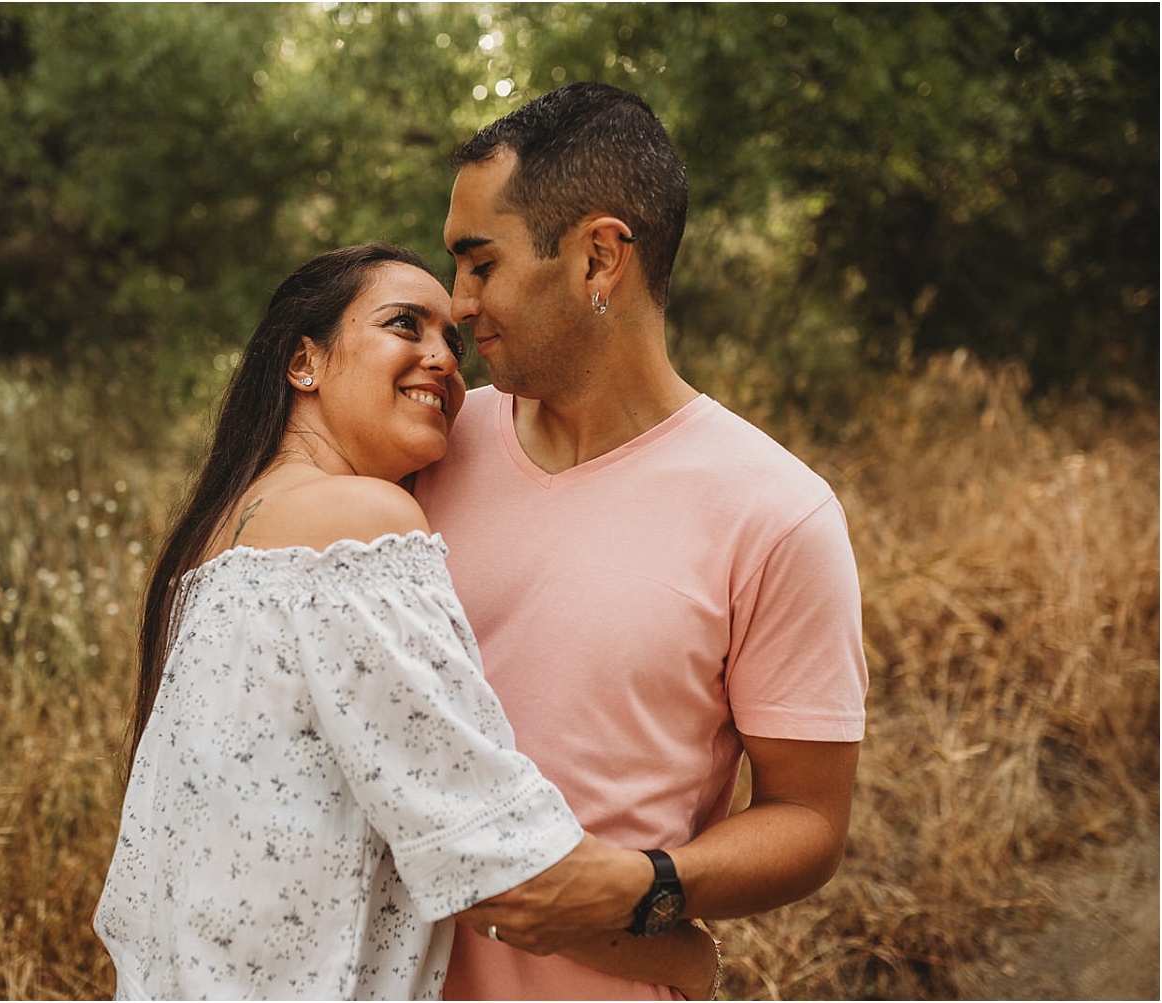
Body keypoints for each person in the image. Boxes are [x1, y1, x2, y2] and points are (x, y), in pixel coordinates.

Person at [92, 243, 721, 1000]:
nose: (443, 361)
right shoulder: (360, 524)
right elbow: (483, 848)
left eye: (452, 344)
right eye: (405, 326)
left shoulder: (214, 540)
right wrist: (679, 953)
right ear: (304, 363)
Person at [418, 83, 869, 999]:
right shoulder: (427, 446)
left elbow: (809, 822)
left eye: (479, 264)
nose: (458, 304)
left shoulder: (778, 513)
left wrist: (649, 889)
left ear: (598, 258)